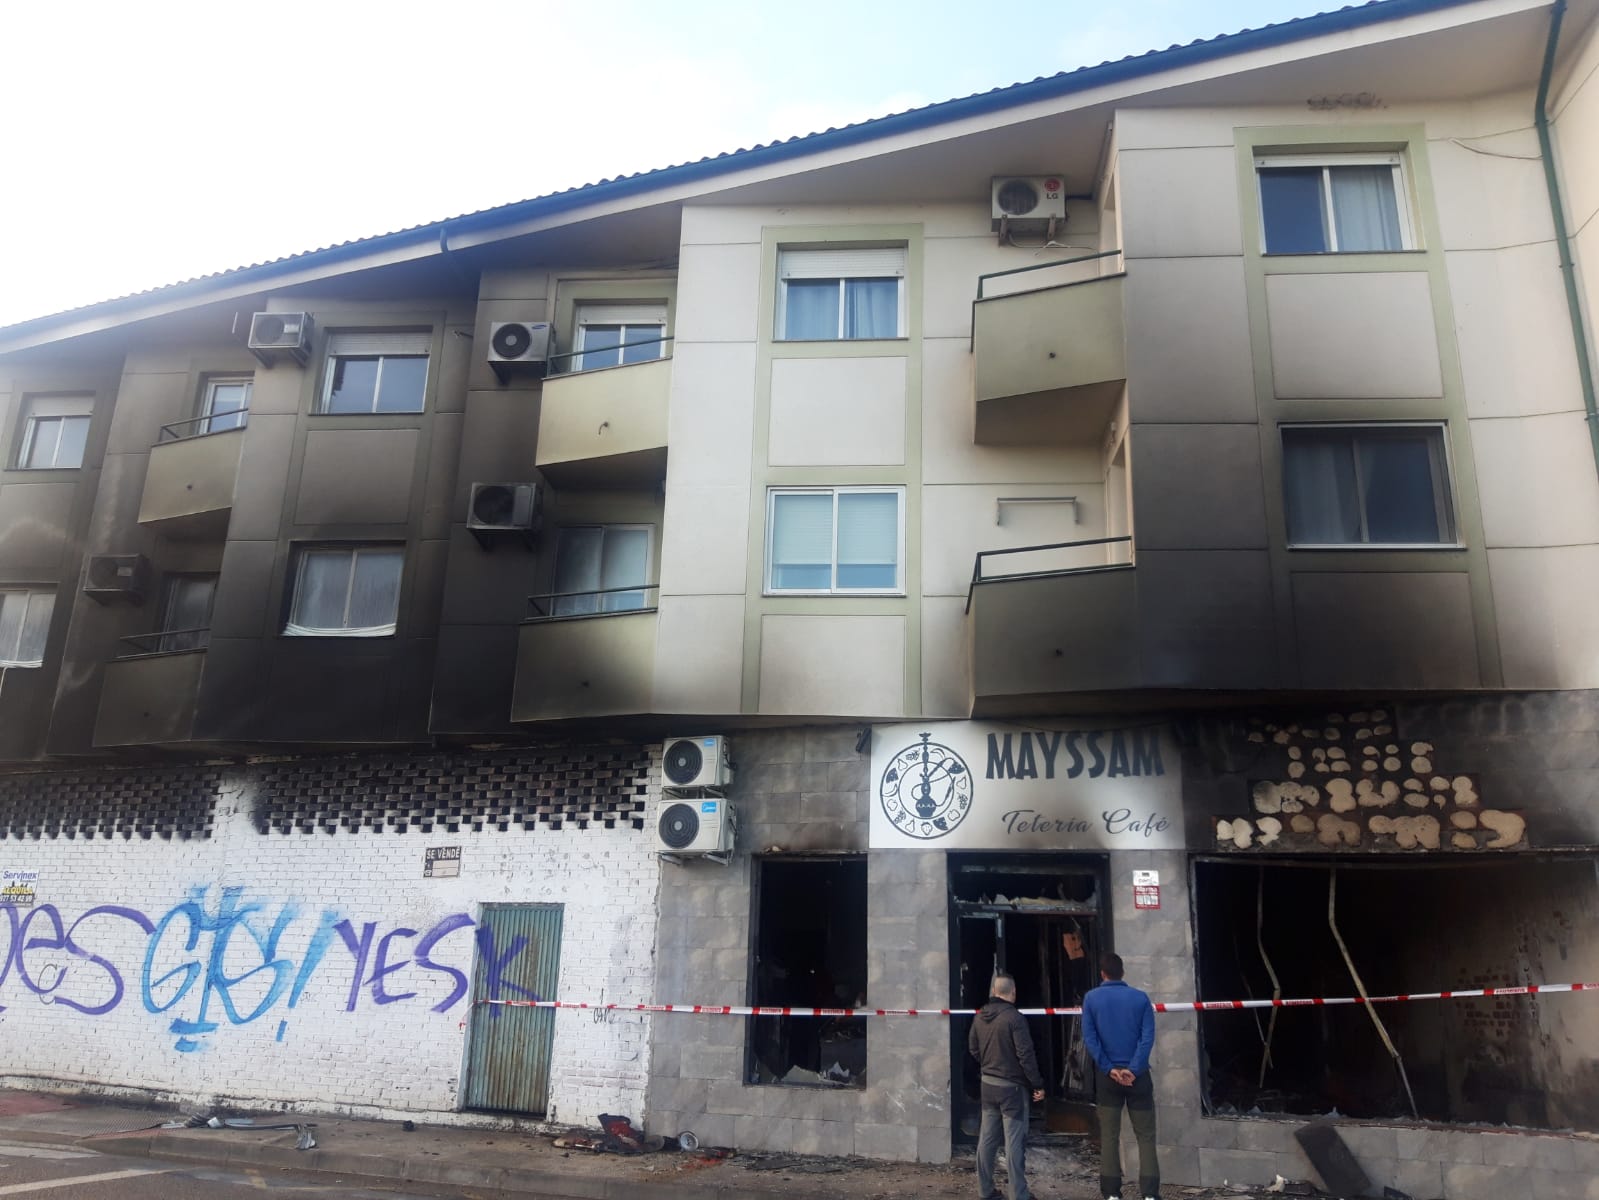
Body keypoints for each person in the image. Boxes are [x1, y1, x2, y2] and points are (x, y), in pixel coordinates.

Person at [1081, 952, 1159, 1200]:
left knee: (1109, 1135)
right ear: (1122, 972)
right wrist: (1133, 1069)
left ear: (1102, 974)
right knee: (1146, 1137)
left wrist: (1109, 1068)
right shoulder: (1140, 999)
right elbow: (1147, 1038)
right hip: (1139, 1079)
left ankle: (1112, 1194)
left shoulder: (1091, 999)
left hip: (1108, 1079)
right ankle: (1149, 1194)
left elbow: (1090, 1039)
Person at [967, 972, 1045, 1200]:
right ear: (1013, 993)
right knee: (1014, 1142)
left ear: (993, 992)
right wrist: (1037, 1084)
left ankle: (985, 1190)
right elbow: (1026, 1055)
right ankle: (1018, 1194)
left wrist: (988, 1064)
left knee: (987, 1139)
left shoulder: (980, 1016)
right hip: (1012, 1089)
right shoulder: (1015, 1018)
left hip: (988, 1085)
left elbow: (972, 1048)